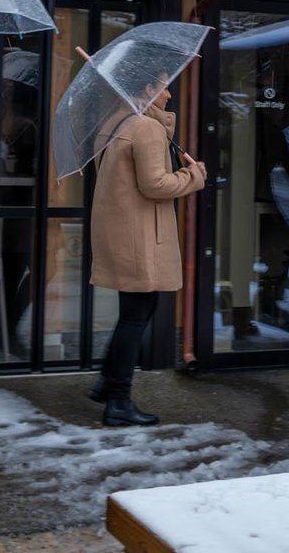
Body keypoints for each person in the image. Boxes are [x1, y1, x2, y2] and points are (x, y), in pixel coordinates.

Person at [86, 77, 206, 426]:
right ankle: (118, 402)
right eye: (164, 86)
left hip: (123, 232)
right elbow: (155, 184)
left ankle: (107, 383)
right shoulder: (146, 128)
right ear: (145, 89)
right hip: (141, 234)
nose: (170, 93)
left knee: (138, 309)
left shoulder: (113, 124)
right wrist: (193, 176)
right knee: (137, 313)